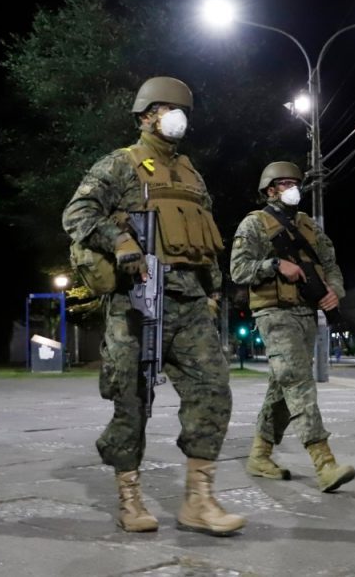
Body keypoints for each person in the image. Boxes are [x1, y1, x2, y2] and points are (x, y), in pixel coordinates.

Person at [62, 76, 245, 536]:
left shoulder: (191, 174)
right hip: (137, 302)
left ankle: (199, 501)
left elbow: (206, 239)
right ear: (147, 116)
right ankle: (130, 497)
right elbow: (77, 214)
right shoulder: (120, 163)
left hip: (191, 303)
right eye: (167, 108)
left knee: (214, 391)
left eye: (181, 110)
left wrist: (213, 293)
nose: (177, 117)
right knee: (131, 401)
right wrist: (120, 240)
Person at [229, 161, 355, 492]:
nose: (293, 188)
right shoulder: (254, 223)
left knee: (282, 389)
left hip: (305, 314)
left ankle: (259, 456)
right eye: (286, 183)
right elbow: (238, 270)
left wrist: (334, 290)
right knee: (299, 383)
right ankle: (324, 463)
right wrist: (274, 264)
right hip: (274, 314)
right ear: (270, 189)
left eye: (296, 183)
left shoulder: (308, 225)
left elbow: (331, 264)